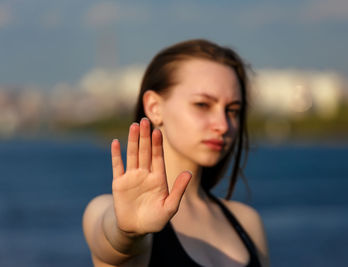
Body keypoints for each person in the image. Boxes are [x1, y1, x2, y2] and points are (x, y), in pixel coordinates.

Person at [83, 39, 269, 267]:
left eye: (232, 110)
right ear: (154, 107)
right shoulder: (106, 210)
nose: (223, 125)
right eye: (202, 104)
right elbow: (111, 242)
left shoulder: (247, 223)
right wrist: (128, 233)